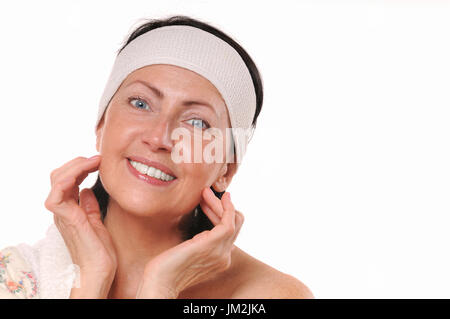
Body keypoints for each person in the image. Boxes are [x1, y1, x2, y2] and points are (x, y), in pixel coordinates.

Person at [0, 15, 313, 299]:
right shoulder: (15, 278)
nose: (159, 138)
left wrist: (160, 288)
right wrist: (91, 280)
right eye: (140, 103)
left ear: (226, 168)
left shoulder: (265, 295)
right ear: (101, 125)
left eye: (196, 123)